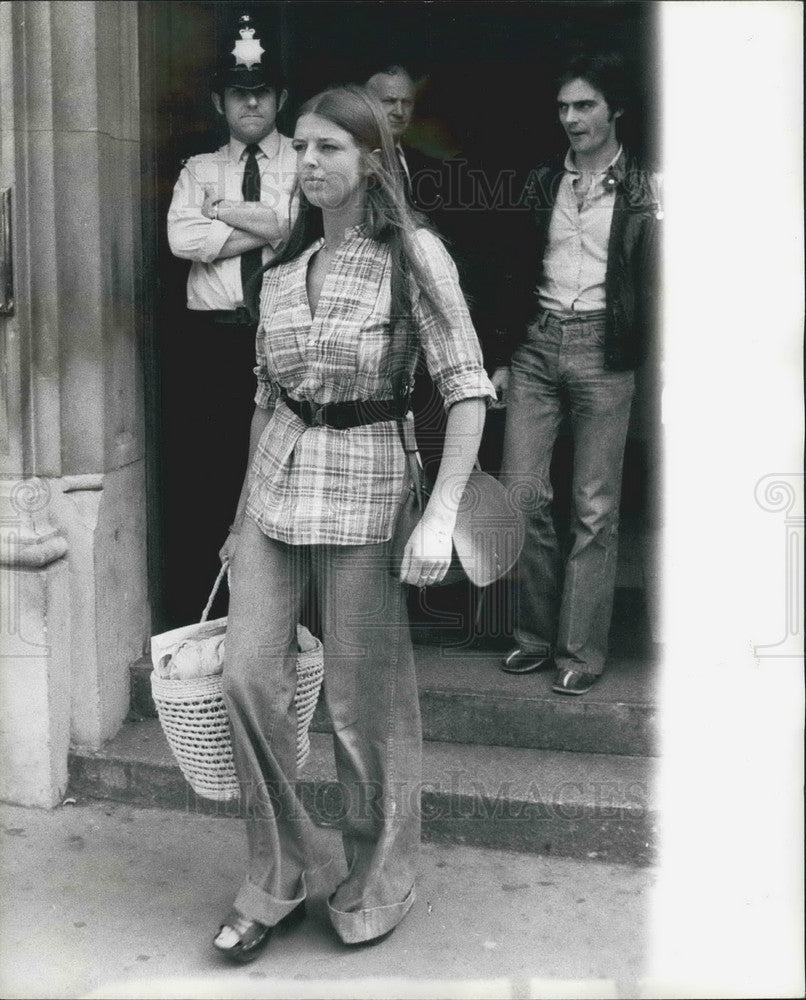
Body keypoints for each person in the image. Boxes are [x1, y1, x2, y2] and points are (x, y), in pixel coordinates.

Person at [212, 84, 495, 960]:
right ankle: (280, 871)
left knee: (360, 706)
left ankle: (377, 879)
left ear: (372, 159)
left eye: (330, 147)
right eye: (301, 146)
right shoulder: (284, 271)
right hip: (276, 484)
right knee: (244, 680)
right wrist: (236, 519)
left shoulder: (415, 255)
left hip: (371, 482)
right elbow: (267, 402)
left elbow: (468, 387)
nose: (309, 163)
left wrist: (440, 516)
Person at [492, 52, 661, 695]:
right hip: (537, 344)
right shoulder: (542, 183)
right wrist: (504, 356)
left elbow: (659, 283)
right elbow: (509, 269)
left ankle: (581, 651)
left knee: (595, 506)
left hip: (603, 349)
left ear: (614, 109)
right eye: (563, 106)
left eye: (585, 105)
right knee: (522, 494)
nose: (571, 118)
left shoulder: (646, 187)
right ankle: (534, 638)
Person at [165, 14, 296, 620]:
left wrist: (222, 215)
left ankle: (284, 625)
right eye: (239, 92)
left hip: (284, 335)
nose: (250, 101)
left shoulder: (301, 160)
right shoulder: (198, 168)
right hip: (215, 344)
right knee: (216, 474)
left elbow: (296, 226)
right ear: (220, 101)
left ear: (280, 98)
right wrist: (265, 224)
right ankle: (212, 623)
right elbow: (181, 239)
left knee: (280, 475)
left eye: (261, 91)